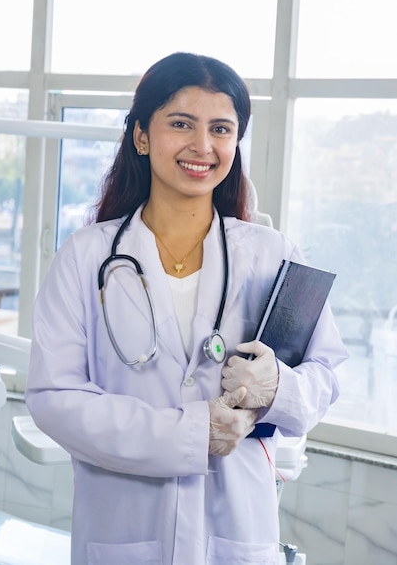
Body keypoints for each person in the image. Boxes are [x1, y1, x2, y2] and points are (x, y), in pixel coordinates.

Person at [26, 52, 348, 565]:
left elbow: (325, 378)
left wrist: (278, 387)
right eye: (181, 124)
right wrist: (192, 433)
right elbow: (54, 398)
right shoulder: (87, 256)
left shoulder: (272, 253)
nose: (203, 146)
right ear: (141, 136)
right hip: (124, 535)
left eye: (221, 128)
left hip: (237, 536)